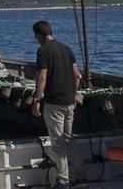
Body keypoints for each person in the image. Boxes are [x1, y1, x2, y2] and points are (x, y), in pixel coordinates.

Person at [31, 21, 81, 189]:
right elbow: (77, 75)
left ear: (38, 35)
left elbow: (42, 77)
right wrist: (74, 96)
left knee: (58, 143)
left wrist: (37, 99)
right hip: (69, 101)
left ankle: (63, 179)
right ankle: (80, 176)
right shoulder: (66, 48)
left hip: (54, 103)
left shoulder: (43, 51)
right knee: (69, 139)